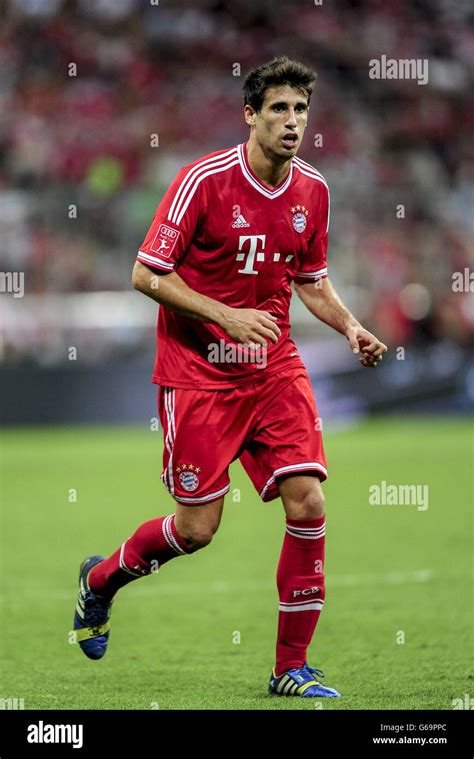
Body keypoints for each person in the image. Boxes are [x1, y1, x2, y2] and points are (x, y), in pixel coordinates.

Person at [73, 56, 387, 698]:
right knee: (197, 531)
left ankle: (289, 668)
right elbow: (146, 274)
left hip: (274, 371)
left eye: (301, 109)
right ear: (251, 114)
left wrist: (350, 326)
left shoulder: (314, 191)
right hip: (198, 377)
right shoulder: (202, 181)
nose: (292, 121)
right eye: (279, 108)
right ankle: (100, 581)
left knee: (309, 501)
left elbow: (311, 280)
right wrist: (226, 317)